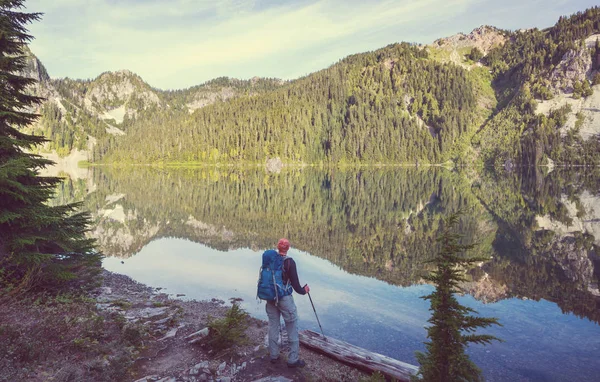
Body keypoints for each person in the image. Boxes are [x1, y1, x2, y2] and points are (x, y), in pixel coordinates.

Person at [266, 238, 310, 368]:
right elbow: (296, 287)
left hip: (270, 297)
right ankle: (293, 359)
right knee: (292, 326)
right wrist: (305, 290)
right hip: (284, 298)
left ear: (277, 247)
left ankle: (274, 355)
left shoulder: (270, 259)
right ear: (288, 248)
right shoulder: (290, 262)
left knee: (273, 325)